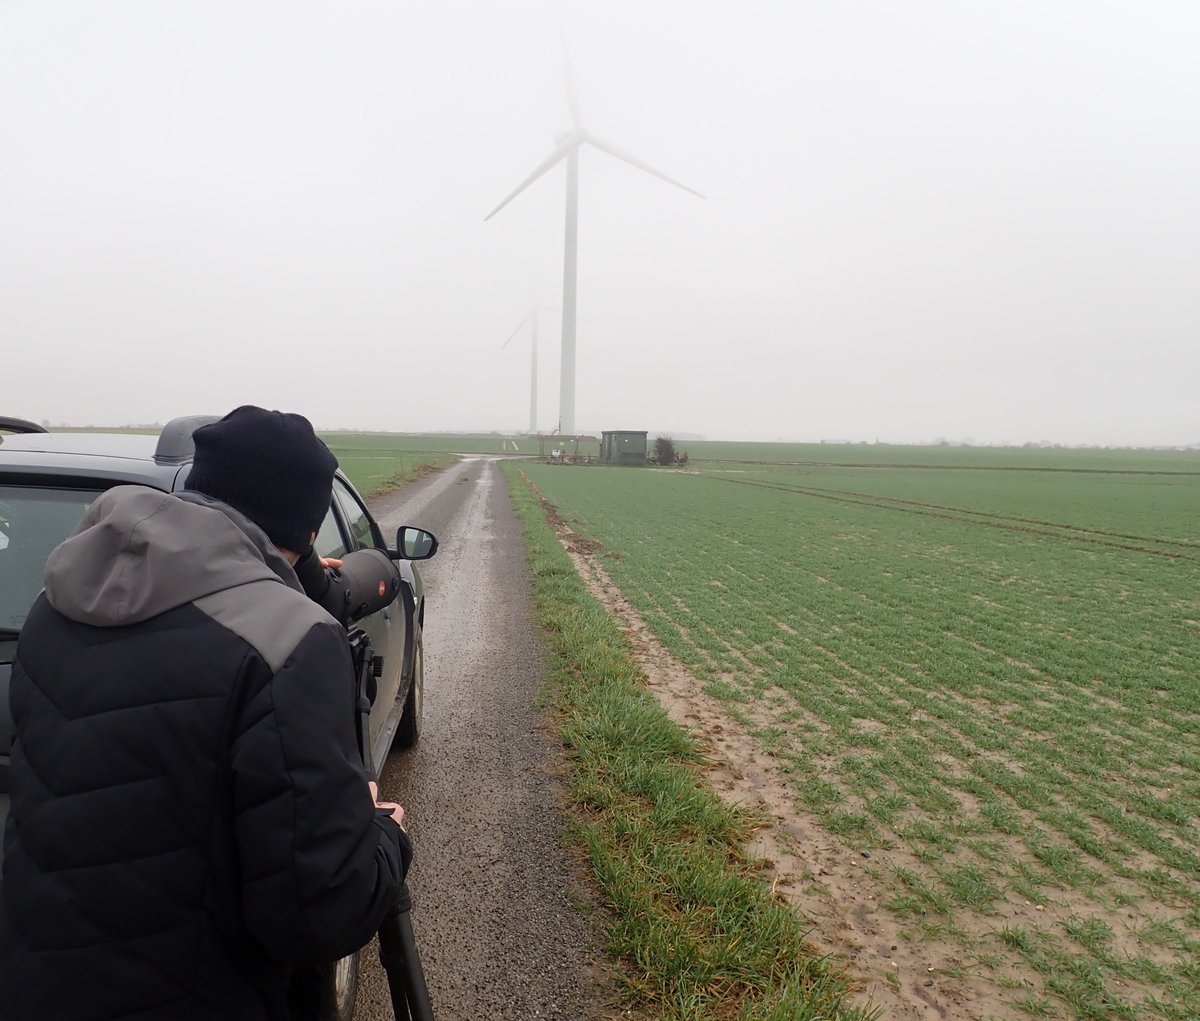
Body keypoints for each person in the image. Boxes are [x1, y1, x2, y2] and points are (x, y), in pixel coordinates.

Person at [0, 406, 408, 1020]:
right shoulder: (290, 641)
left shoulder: (54, 605)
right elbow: (318, 913)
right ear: (303, 527)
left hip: (35, 982)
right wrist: (385, 837)